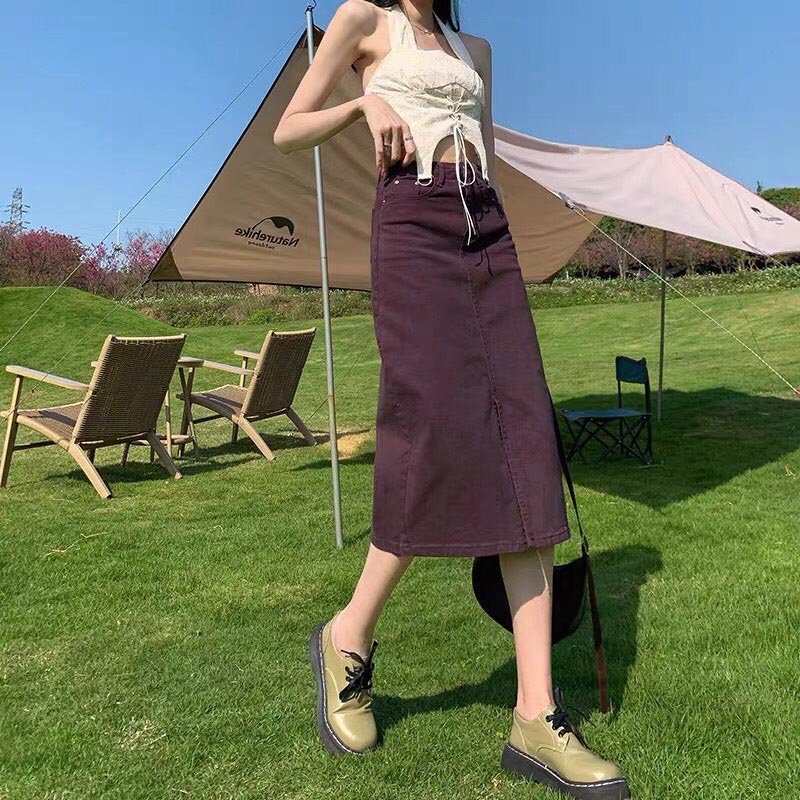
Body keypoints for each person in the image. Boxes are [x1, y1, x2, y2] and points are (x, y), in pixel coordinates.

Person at [274, 2, 630, 797]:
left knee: (526, 443)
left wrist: (500, 248)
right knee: (430, 436)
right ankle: (347, 635)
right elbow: (287, 131)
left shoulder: (477, 49)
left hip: (486, 232)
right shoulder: (361, 21)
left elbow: (489, 157)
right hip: (412, 227)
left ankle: (535, 713)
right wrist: (363, 105)